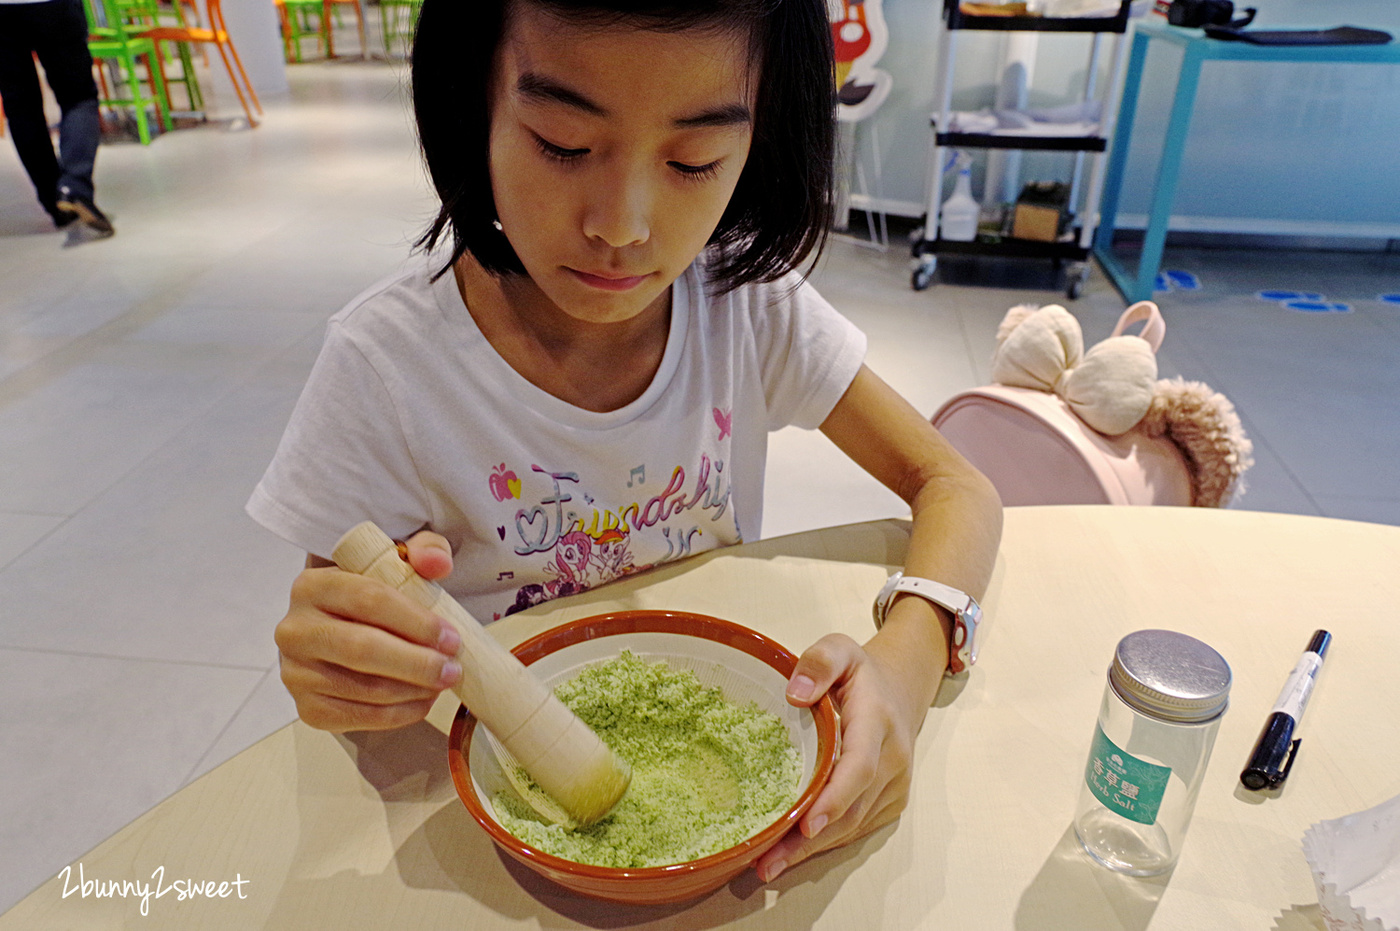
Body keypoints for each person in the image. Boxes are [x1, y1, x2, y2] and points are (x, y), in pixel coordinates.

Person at [247, 0, 1002, 883]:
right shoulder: (386, 369)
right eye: (562, 143)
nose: (622, 225)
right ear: (472, 101)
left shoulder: (745, 309)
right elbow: (341, 630)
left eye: (694, 160)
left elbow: (957, 486)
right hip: (478, 838)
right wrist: (344, 669)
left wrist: (906, 670)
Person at [0, 0, 114, 235]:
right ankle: (74, 186)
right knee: (78, 95)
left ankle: (56, 204)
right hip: (53, 6)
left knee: (21, 108)